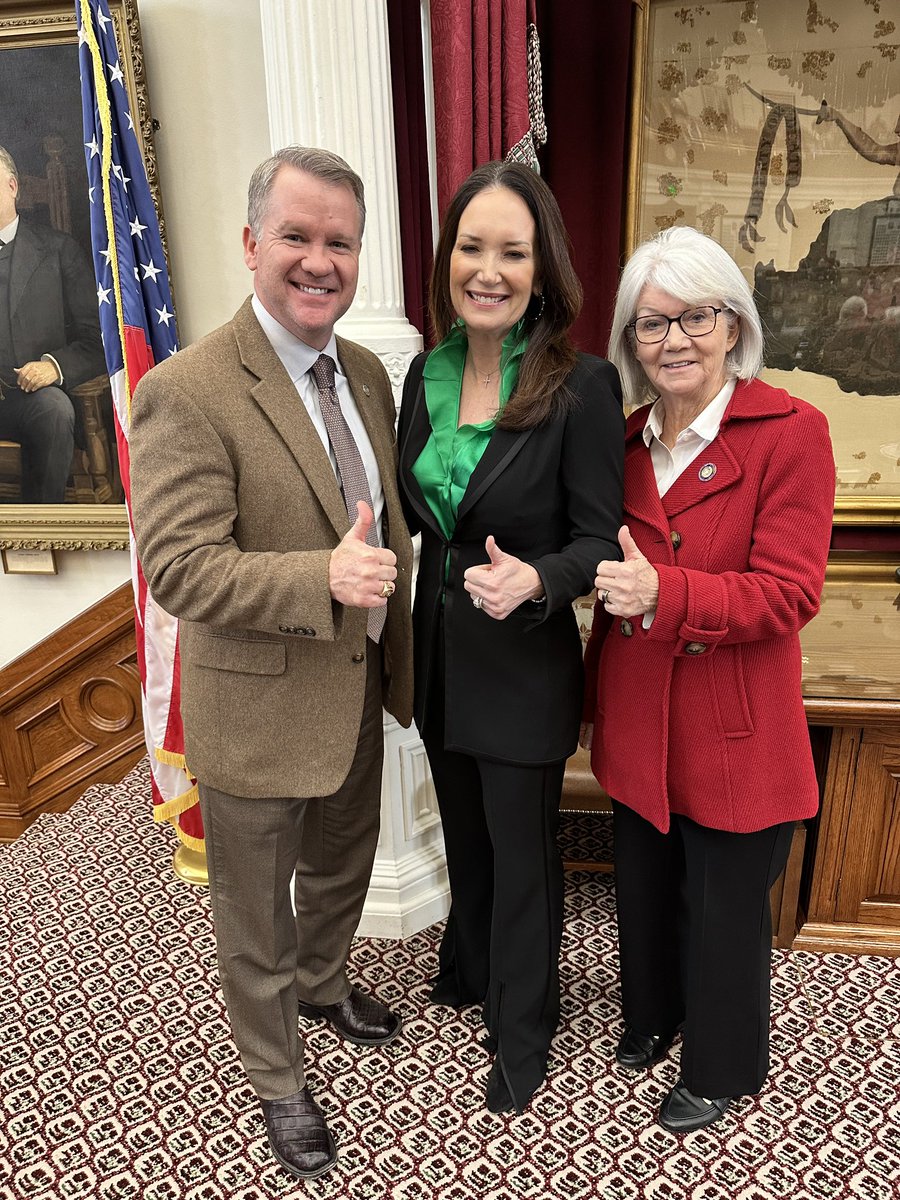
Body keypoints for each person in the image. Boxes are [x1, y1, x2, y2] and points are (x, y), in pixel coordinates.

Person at [128, 146, 413, 1180]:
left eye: (340, 241)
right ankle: (276, 1076)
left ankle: (327, 984)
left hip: (358, 685)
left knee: (341, 866)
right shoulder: (188, 390)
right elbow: (182, 571)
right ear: (251, 244)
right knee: (255, 911)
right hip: (254, 708)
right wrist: (320, 581)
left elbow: (388, 519)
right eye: (296, 235)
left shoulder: (368, 372)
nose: (318, 261)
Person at [581, 225, 835, 1134]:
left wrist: (668, 590)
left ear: (733, 326)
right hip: (639, 707)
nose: (674, 340)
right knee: (644, 880)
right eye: (652, 325)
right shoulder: (615, 445)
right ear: (629, 342)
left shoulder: (792, 433)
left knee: (725, 904)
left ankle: (724, 1065)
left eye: (696, 317)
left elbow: (790, 592)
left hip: (733, 716)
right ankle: (653, 1017)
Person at [398, 161, 624, 1115]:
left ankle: (524, 1029)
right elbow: (424, 517)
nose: (487, 270)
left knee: (525, 853)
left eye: (512, 252)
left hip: (525, 659)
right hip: (441, 653)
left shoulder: (583, 385)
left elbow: (598, 540)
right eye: (472, 247)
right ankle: (475, 964)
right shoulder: (424, 370)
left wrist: (539, 579)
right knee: (465, 836)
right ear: (449, 257)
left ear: (544, 269)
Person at [0, 144, 105, 502]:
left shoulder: (58, 250)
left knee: (54, 410)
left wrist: (53, 367)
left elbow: (98, 339)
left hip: (29, 399)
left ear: (12, 186)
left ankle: (41, 533)